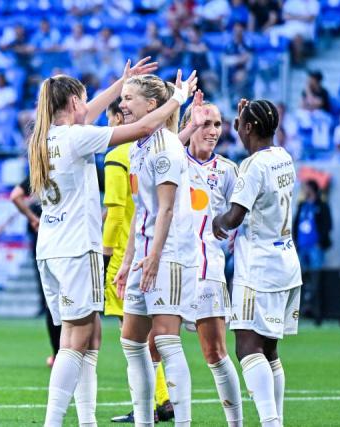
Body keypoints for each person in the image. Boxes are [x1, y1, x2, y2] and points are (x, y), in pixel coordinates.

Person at [30, 57, 196, 426]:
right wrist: (177, 99)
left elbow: (87, 112)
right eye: (84, 100)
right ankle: (53, 422)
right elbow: (143, 127)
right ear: (73, 104)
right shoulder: (77, 137)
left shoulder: (46, 137)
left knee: (90, 339)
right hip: (77, 248)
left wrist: (121, 83)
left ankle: (86, 421)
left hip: (50, 250)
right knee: (73, 341)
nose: (91, 106)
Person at [113, 73, 200, 427]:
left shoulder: (165, 146)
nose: (122, 105)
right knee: (132, 342)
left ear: (152, 105)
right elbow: (142, 212)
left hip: (169, 256)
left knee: (165, 338)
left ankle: (183, 422)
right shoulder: (138, 147)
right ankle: (144, 420)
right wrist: (129, 262)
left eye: (129, 98)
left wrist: (153, 259)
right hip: (145, 255)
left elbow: (166, 209)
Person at [212, 99, 302, 427]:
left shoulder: (252, 167)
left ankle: (269, 422)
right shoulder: (284, 158)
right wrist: (243, 119)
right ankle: (274, 419)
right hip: (287, 262)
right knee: (269, 349)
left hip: (259, 269)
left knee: (247, 346)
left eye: (240, 124)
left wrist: (215, 221)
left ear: (248, 128)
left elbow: (234, 217)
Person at [103, 99, 175, 424]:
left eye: (109, 119)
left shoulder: (118, 154)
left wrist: (106, 257)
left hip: (125, 253)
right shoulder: (147, 148)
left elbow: (118, 213)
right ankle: (161, 400)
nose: (108, 127)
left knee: (131, 337)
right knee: (150, 335)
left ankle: (153, 403)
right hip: (145, 247)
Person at [177, 92, 244, 426]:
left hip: (208, 272)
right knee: (154, 349)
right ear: (191, 126)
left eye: (217, 124)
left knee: (215, 354)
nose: (213, 130)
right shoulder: (174, 159)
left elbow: (242, 220)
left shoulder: (229, 172)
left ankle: (236, 423)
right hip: (170, 273)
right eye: (205, 123)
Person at [10, 175, 61, 368]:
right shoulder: (77, 164)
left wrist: (34, 220)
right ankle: (82, 354)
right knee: (78, 302)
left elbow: (15, 196)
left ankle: (58, 355)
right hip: (73, 240)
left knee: (52, 302)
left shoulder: (40, 171)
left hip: (46, 243)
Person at [292, 180, 332, 270]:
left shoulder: (322, 206)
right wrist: (295, 240)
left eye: (306, 188)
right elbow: (295, 224)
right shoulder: (301, 205)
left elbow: (328, 225)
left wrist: (320, 242)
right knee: (301, 276)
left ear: (311, 189)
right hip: (301, 246)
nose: (304, 190)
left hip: (315, 247)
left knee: (316, 275)